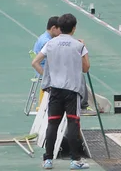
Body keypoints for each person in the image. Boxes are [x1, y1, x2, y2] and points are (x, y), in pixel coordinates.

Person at [31, 13, 91, 170]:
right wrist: (85, 50)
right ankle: (75, 160)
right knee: (73, 124)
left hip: (55, 90)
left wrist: (46, 77)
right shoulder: (79, 45)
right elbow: (85, 68)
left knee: (52, 124)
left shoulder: (50, 44)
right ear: (73, 28)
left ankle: (48, 160)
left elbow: (35, 61)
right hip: (72, 91)